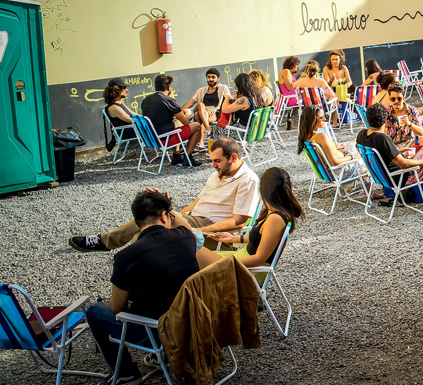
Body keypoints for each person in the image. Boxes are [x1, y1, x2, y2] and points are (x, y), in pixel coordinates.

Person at [85, 189, 200, 385]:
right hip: (193, 321)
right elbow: (184, 225)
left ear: (136, 221)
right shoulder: (185, 237)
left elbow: (116, 307)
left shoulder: (125, 257)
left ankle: (125, 373)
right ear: (164, 215)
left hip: (155, 331)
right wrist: (168, 207)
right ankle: (161, 357)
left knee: (95, 310)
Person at [69, 138, 260, 252]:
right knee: (149, 225)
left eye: (217, 161)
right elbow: (197, 203)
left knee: (153, 215)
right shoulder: (217, 174)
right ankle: (133, 256)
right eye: (212, 161)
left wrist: (198, 230)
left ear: (233, 158)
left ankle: (109, 242)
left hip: (213, 231)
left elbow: (238, 222)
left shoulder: (247, 179)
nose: (212, 165)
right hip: (194, 221)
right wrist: (177, 215)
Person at [197, 166, 304, 273]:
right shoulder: (273, 212)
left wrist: (225, 264)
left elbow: (259, 259)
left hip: (245, 271)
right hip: (240, 261)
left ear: (264, 191)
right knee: (193, 251)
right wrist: (232, 238)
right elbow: (261, 239)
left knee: (193, 251)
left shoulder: (275, 219)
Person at [141, 74, 203, 166]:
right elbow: (185, 122)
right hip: (164, 139)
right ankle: (188, 158)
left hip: (151, 138)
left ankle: (176, 156)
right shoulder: (168, 100)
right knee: (197, 126)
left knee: (176, 123)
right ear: (169, 87)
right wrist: (188, 113)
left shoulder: (146, 99)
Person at [297, 105, 361, 171]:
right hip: (341, 169)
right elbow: (334, 162)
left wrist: (334, 149)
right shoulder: (320, 136)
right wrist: (352, 157)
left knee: (354, 144)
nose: (325, 119)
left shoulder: (306, 137)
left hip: (333, 169)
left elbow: (324, 153)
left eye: (324, 116)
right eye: (321, 118)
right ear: (312, 121)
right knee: (359, 147)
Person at [182, 68, 231, 133]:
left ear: (218, 78)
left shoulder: (223, 88)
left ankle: (201, 136)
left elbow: (227, 101)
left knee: (197, 115)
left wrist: (216, 108)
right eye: (208, 77)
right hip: (202, 109)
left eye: (213, 77)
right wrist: (179, 111)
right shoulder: (201, 90)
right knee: (200, 104)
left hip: (214, 113)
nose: (210, 79)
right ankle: (208, 129)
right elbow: (190, 103)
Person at [386, 83, 423, 147]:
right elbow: (383, 132)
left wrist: (409, 123)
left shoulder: (410, 110)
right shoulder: (387, 111)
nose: (396, 101)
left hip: (409, 143)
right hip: (393, 145)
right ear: (389, 99)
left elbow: (421, 132)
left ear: (403, 98)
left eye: (399, 99)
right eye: (393, 99)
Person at [102, 77, 136, 151]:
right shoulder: (113, 107)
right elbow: (130, 119)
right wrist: (145, 121)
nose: (126, 90)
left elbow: (133, 114)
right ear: (116, 90)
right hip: (130, 133)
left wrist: (147, 118)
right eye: (124, 88)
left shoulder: (120, 104)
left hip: (134, 130)